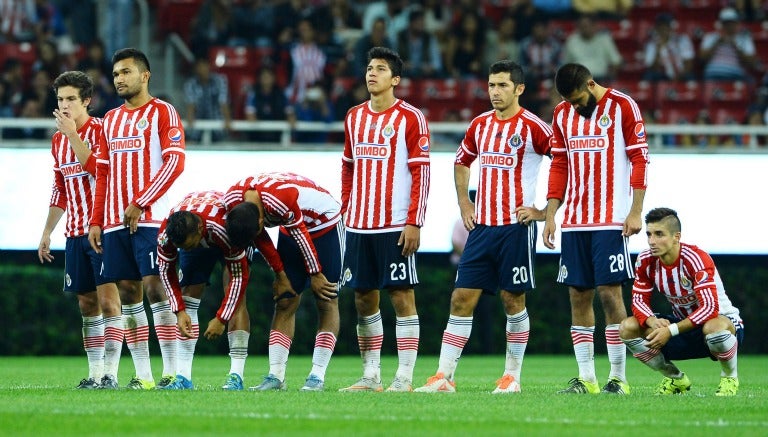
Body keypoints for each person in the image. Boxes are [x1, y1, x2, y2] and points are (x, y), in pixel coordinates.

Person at [414, 60, 552, 394]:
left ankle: (512, 377)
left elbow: (564, 163)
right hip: (482, 228)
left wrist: (545, 211)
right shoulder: (480, 125)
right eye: (491, 85)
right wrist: (464, 202)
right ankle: (443, 378)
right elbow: (461, 161)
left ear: (519, 89)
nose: (495, 91)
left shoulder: (534, 127)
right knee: (460, 298)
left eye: (503, 85)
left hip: (515, 228)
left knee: (512, 300)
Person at [543, 63, 649, 395]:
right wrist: (550, 213)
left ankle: (619, 377)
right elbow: (559, 164)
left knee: (609, 293)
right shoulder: (561, 114)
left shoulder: (622, 106)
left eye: (578, 99)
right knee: (578, 294)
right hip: (575, 220)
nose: (574, 107)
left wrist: (635, 211)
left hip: (611, 218)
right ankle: (587, 378)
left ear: (591, 83)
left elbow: (640, 159)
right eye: (569, 101)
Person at [88, 48, 186, 390]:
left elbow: (175, 163)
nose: (119, 79)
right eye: (115, 74)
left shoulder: (163, 112)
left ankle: (172, 372)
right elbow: (102, 174)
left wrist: (141, 202)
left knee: (156, 288)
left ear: (145, 75)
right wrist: (96, 220)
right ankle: (143, 376)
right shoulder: (110, 120)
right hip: (114, 222)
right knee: (129, 292)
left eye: (126, 72)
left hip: (150, 219)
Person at [339, 46, 430, 392]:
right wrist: (347, 205)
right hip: (360, 225)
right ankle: (371, 375)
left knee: (401, 296)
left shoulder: (410, 118)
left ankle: (404, 377)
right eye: (369, 67)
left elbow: (421, 172)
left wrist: (414, 221)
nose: (371, 73)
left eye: (380, 69)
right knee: (363, 297)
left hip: (394, 225)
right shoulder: (354, 116)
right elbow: (348, 165)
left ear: (396, 79)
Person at [37, 70, 122, 389]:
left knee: (110, 301)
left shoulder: (101, 131)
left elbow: (98, 170)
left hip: (102, 229)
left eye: (71, 98)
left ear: (87, 100)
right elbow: (60, 187)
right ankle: (96, 374)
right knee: (86, 304)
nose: (65, 105)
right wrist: (47, 231)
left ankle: (111, 374)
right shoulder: (58, 140)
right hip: (73, 233)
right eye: (60, 99)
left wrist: (73, 134)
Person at [224, 172, 342, 392]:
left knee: (326, 298)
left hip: (324, 224)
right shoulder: (232, 201)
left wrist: (315, 274)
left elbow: (301, 235)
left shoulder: (279, 200)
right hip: (291, 227)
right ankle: (276, 376)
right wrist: (280, 275)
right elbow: (260, 238)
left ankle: (317, 375)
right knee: (285, 300)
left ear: (261, 220)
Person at [619, 207, 743, 396]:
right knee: (628, 327)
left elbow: (709, 308)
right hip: (684, 328)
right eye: (649, 234)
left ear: (677, 237)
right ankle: (676, 379)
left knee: (713, 327)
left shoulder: (695, 258)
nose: (652, 241)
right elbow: (638, 300)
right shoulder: (646, 260)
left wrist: (670, 330)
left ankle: (730, 378)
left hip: (723, 325)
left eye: (659, 234)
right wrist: (652, 321)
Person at [156, 190, 254, 390]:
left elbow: (238, 278)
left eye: (188, 244)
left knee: (236, 298)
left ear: (199, 229)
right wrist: (179, 310)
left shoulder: (225, 229)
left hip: (225, 233)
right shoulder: (166, 236)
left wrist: (221, 318)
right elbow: (166, 272)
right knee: (188, 294)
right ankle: (183, 377)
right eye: (181, 246)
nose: (186, 248)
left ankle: (236, 375)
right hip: (199, 228)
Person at [699, 7, 757, 82]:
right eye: (726, 23)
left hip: (736, 75)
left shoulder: (744, 39)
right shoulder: (710, 37)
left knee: (751, 81)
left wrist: (735, 46)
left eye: (731, 23)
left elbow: (751, 63)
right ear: (720, 24)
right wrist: (717, 43)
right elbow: (702, 59)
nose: (729, 26)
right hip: (713, 73)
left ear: (737, 23)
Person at [183, 57, 232, 143]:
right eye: (199, 67)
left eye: (204, 66)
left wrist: (227, 119)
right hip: (197, 123)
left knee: (222, 143)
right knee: (191, 139)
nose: (202, 69)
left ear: (209, 66)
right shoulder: (190, 84)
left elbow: (223, 101)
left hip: (217, 123)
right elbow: (191, 104)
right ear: (196, 69)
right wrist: (190, 118)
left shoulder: (220, 81)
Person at [561, 14, 622, 82]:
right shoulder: (572, 41)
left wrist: (609, 79)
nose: (584, 29)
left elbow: (616, 62)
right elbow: (566, 65)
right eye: (582, 26)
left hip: (601, 80)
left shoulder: (605, 40)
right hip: (578, 82)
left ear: (595, 26)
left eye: (587, 26)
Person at [642, 12, 695, 82]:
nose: (664, 29)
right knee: (650, 75)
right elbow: (653, 68)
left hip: (682, 74)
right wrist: (658, 49)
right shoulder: (652, 44)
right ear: (657, 28)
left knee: (690, 77)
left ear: (672, 27)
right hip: (663, 76)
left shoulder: (682, 39)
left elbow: (688, 63)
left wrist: (678, 77)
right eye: (661, 26)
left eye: (667, 25)